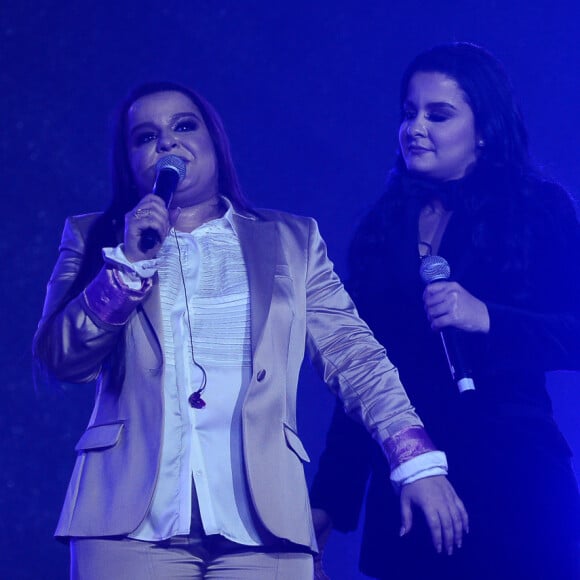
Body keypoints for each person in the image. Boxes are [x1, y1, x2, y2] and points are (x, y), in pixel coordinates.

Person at [32, 81, 468, 580]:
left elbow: (354, 356)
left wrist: (415, 459)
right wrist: (128, 264)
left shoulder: (291, 239)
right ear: (129, 160)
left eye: (183, 125)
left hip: (264, 526)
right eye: (146, 136)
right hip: (126, 526)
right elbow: (61, 359)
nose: (167, 142)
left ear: (214, 140)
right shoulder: (94, 237)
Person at [310, 42, 580, 580]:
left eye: (438, 114)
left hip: (514, 477)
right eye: (409, 113)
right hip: (410, 483)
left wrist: (489, 318)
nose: (415, 127)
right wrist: (328, 505)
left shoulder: (538, 210)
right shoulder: (381, 227)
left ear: (484, 128)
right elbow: (361, 375)